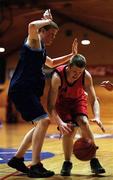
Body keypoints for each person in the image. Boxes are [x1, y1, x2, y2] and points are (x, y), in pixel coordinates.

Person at [7, 9, 77, 178]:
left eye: (55, 35)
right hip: (22, 89)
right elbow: (31, 26)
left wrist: (72, 56)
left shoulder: (41, 47)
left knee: (40, 124)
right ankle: (36, 165)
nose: (53, 37)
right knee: (44, 121)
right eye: (51, 33)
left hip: (29, 90)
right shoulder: (33, 41)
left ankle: (17, 159)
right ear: (42, 31)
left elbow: (52, 63)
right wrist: (45, 20)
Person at [47, 54, 106, 176]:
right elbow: (50, 106)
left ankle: (93, 160)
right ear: (68, 66)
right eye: (74, 71)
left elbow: (94, 99)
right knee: (69, 129)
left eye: (80, 72)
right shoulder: (57, 76)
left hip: (78, 100)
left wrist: (97, 116)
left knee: (84, 122)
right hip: (62, 103)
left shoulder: (86, 76)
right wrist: (60, 122)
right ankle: (67, 162)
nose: (77, 75)